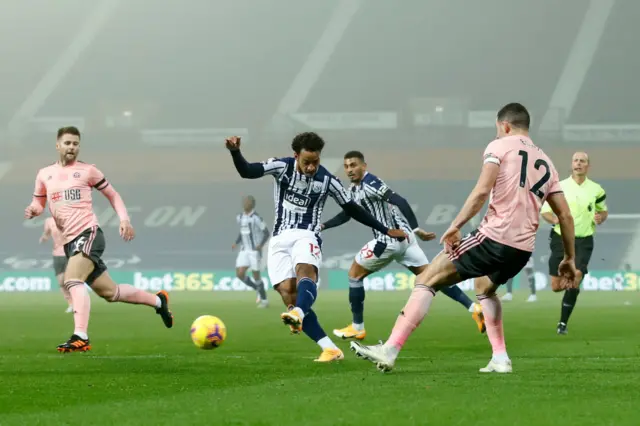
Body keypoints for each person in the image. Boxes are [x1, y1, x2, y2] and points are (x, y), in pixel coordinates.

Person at [350, 103, 577, 373]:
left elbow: (482, 191)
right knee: (484, 288)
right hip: (522, 249)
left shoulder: (499, 146)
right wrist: (569, 258)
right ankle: (500, 358)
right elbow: (565, 216)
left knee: (427, 278)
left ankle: (390, 349)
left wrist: (455, 225)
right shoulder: (547, 162)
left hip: (494, 237)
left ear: (504, 125)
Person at [226, 132, 407, 362]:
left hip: (307, 234)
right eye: (306, 162)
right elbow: (248, 171)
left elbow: (352, 208)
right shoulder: (282, 166)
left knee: (304, 273)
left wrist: (384, 229)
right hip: (280, 237)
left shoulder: (328, 180)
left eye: (315, 162)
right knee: (287, 293)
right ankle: (330, 349)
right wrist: (235, 152)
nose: (311, 167)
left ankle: (299, 313)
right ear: (296, 156)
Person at [24, 126, 174, 353]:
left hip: (89, 233)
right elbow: (39, 202)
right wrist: (34, 210)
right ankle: (158, 302)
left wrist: (124, 219)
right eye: (67, 143)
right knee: (110, 293)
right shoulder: (45, 174)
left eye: (75, 143)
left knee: (72, 279)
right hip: (68, 242)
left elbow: (113, 194)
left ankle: (80, 336)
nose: (71, 147)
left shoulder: (88, 171)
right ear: (58, 145)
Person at [320, 150, 485, 340]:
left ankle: (357, 326)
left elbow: (399, 200)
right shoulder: (354, 190)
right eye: (346, 166)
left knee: (354, 276)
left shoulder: (371, 183)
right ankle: (474, 308)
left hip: (388, 241)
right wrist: (324, 225)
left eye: (354, 165)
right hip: (407, 242)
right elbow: (347, 214)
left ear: (364, 166)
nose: (349, 170)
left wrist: (416, 228)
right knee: (431, 278)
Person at [540, 151, 607, 335]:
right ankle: (570, 284)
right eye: (576, 160)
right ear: (572, 164)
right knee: (555, 286)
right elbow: (545, 211)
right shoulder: (559, 187)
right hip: (560, 239)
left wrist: (601, 217)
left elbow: (603, 211)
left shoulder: (597, 189)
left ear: (588, 166)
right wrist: (554, 220)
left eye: (582, 161)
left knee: (576, 276)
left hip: (584, 240)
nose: (578, 163)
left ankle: (562, 323)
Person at [232, 195, 270, 308]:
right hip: (244, 249)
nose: (245, 204)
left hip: (254, 251)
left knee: (256, 275)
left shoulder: (256, 218)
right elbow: (242, 232)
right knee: (239, 274)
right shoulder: (240, 217)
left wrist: (260, 245)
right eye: (244, 202)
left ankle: (264, 300)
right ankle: (256, 288)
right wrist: (236, 242)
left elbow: (266, 233)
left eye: (247, 202)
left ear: (252, 204)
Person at [40, 217, 74, 313]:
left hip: (70, 253)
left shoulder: (70, 218)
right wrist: (44, 238)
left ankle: (78, 304)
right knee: (61, 282)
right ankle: (71, 304)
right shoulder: (49, 221)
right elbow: (46, 234)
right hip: (57, 254)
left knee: (70, 280)